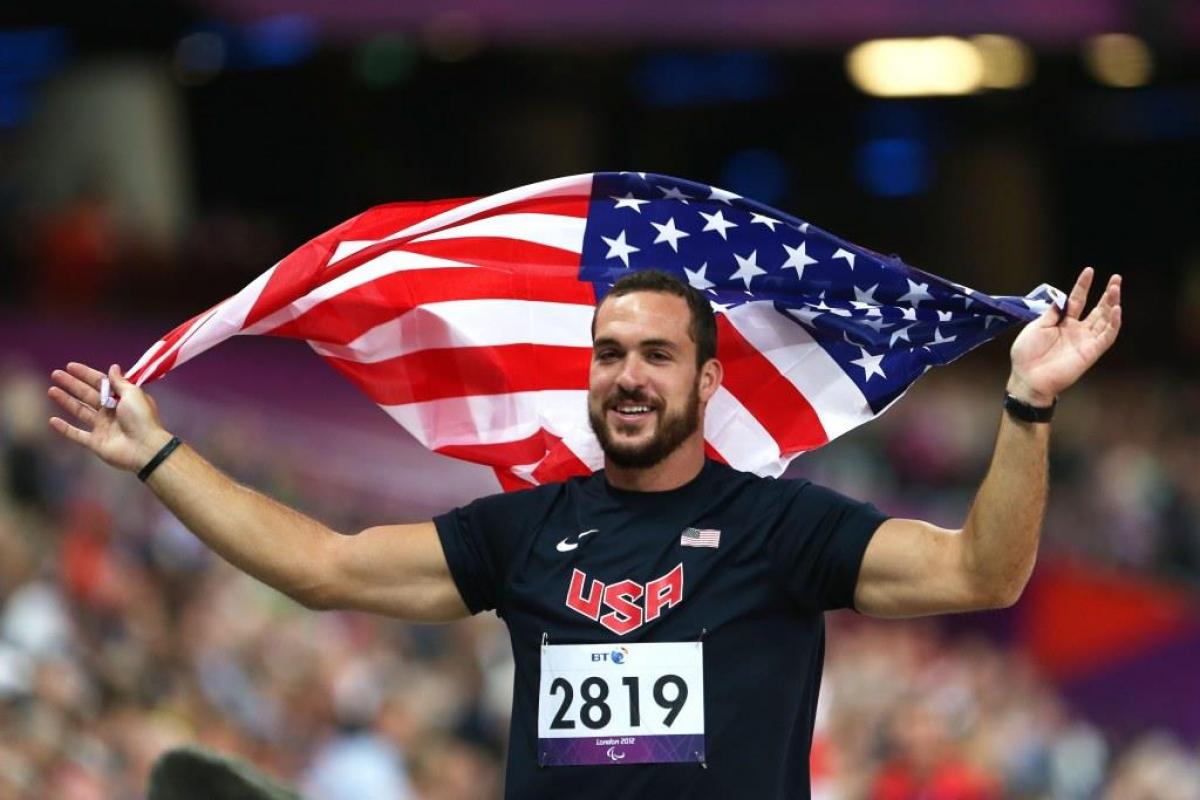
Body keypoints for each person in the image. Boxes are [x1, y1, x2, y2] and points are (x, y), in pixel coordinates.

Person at [47, 266, 1122, 799]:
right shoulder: (525, 531)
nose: (629, 375)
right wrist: (155, 454)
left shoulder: (779, 526)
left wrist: (1026, 404)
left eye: (657, 355)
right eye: (610, 353)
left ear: (706, 380)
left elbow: (983, 572)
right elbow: (326, 568)